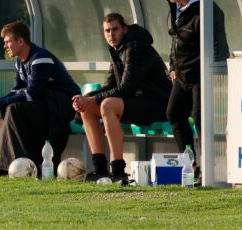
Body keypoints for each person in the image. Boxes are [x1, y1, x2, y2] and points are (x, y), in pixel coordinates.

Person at [72, 13, 171, 183]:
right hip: (137, 103)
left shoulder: (136, 47)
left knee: (108, 105)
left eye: (115, 29)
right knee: (88, 107)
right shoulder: (118, 50)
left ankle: (118, 170)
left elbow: (126, 88)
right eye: (107, 31)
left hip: (158, 104)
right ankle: (100, 171)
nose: (111, 34)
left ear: (124, 29)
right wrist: (85, 98)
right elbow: (110, 85)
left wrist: (92, 99)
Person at [0, 22, 78, 177]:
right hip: (42, 104)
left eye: (7, 41)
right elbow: (15, 91)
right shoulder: (19, 61)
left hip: (59, 106)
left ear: (20, 41)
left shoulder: (41, 58)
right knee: (0, 110)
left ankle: (14, 168)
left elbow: (31, 94)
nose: (5, 46)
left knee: (13, 109)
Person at [162, 0, 229, 176]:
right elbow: (175, 42)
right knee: (174, 114)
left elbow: (218, 46)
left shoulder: (207, 9)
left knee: (203, 121)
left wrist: (212, 73)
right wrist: (173, 67)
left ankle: (212, 169)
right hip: (182, 76)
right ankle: (189, 164)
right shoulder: (177, 8)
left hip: (202, 75)